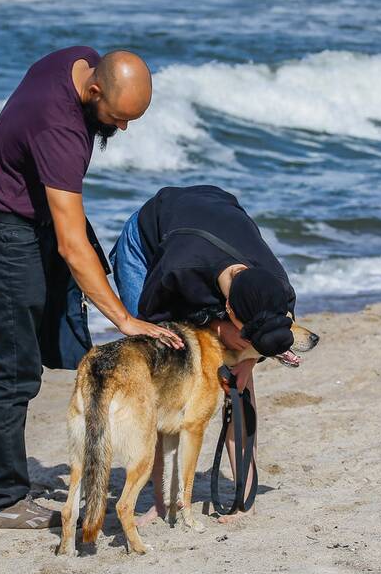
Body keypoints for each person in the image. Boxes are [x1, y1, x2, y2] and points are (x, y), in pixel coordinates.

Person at [0, 47, 182, 530]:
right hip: (3, 232)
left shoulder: (78, 60)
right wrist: (126, 320)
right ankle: (2, 502)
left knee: (34, 352)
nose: (124, 129)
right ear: (93, 91)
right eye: (117, 117)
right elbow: (73, 247)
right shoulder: (61, 131)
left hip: (30, 223)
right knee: (14, 370)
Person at [109, 184, 297, 525]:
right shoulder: (177, 268)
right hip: (148, 243)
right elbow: (155, 319)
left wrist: (250, 358)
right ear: (226, 307)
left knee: (240, 382)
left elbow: (276, 330)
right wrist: (213, 325)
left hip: (211, 219)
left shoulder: (277, 283)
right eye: (241, 327)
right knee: (163, 370)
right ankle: (161, 500)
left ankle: (245, 494)